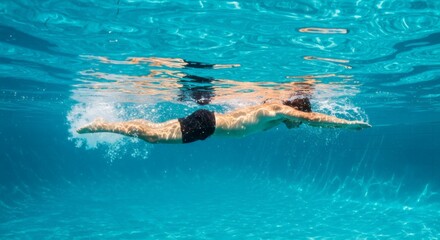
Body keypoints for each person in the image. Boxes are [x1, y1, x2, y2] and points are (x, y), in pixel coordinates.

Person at [76, 98, 371, 144]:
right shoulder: (280, 110)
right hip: (208, 125)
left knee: (152, 132)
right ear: (298, 111)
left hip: (209, 122)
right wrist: (349, 124)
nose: (300, 124)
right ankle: (105, 124)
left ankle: (109, 123)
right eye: (300, 119)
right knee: (151, 136)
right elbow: (317, 120)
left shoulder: (273, 107)